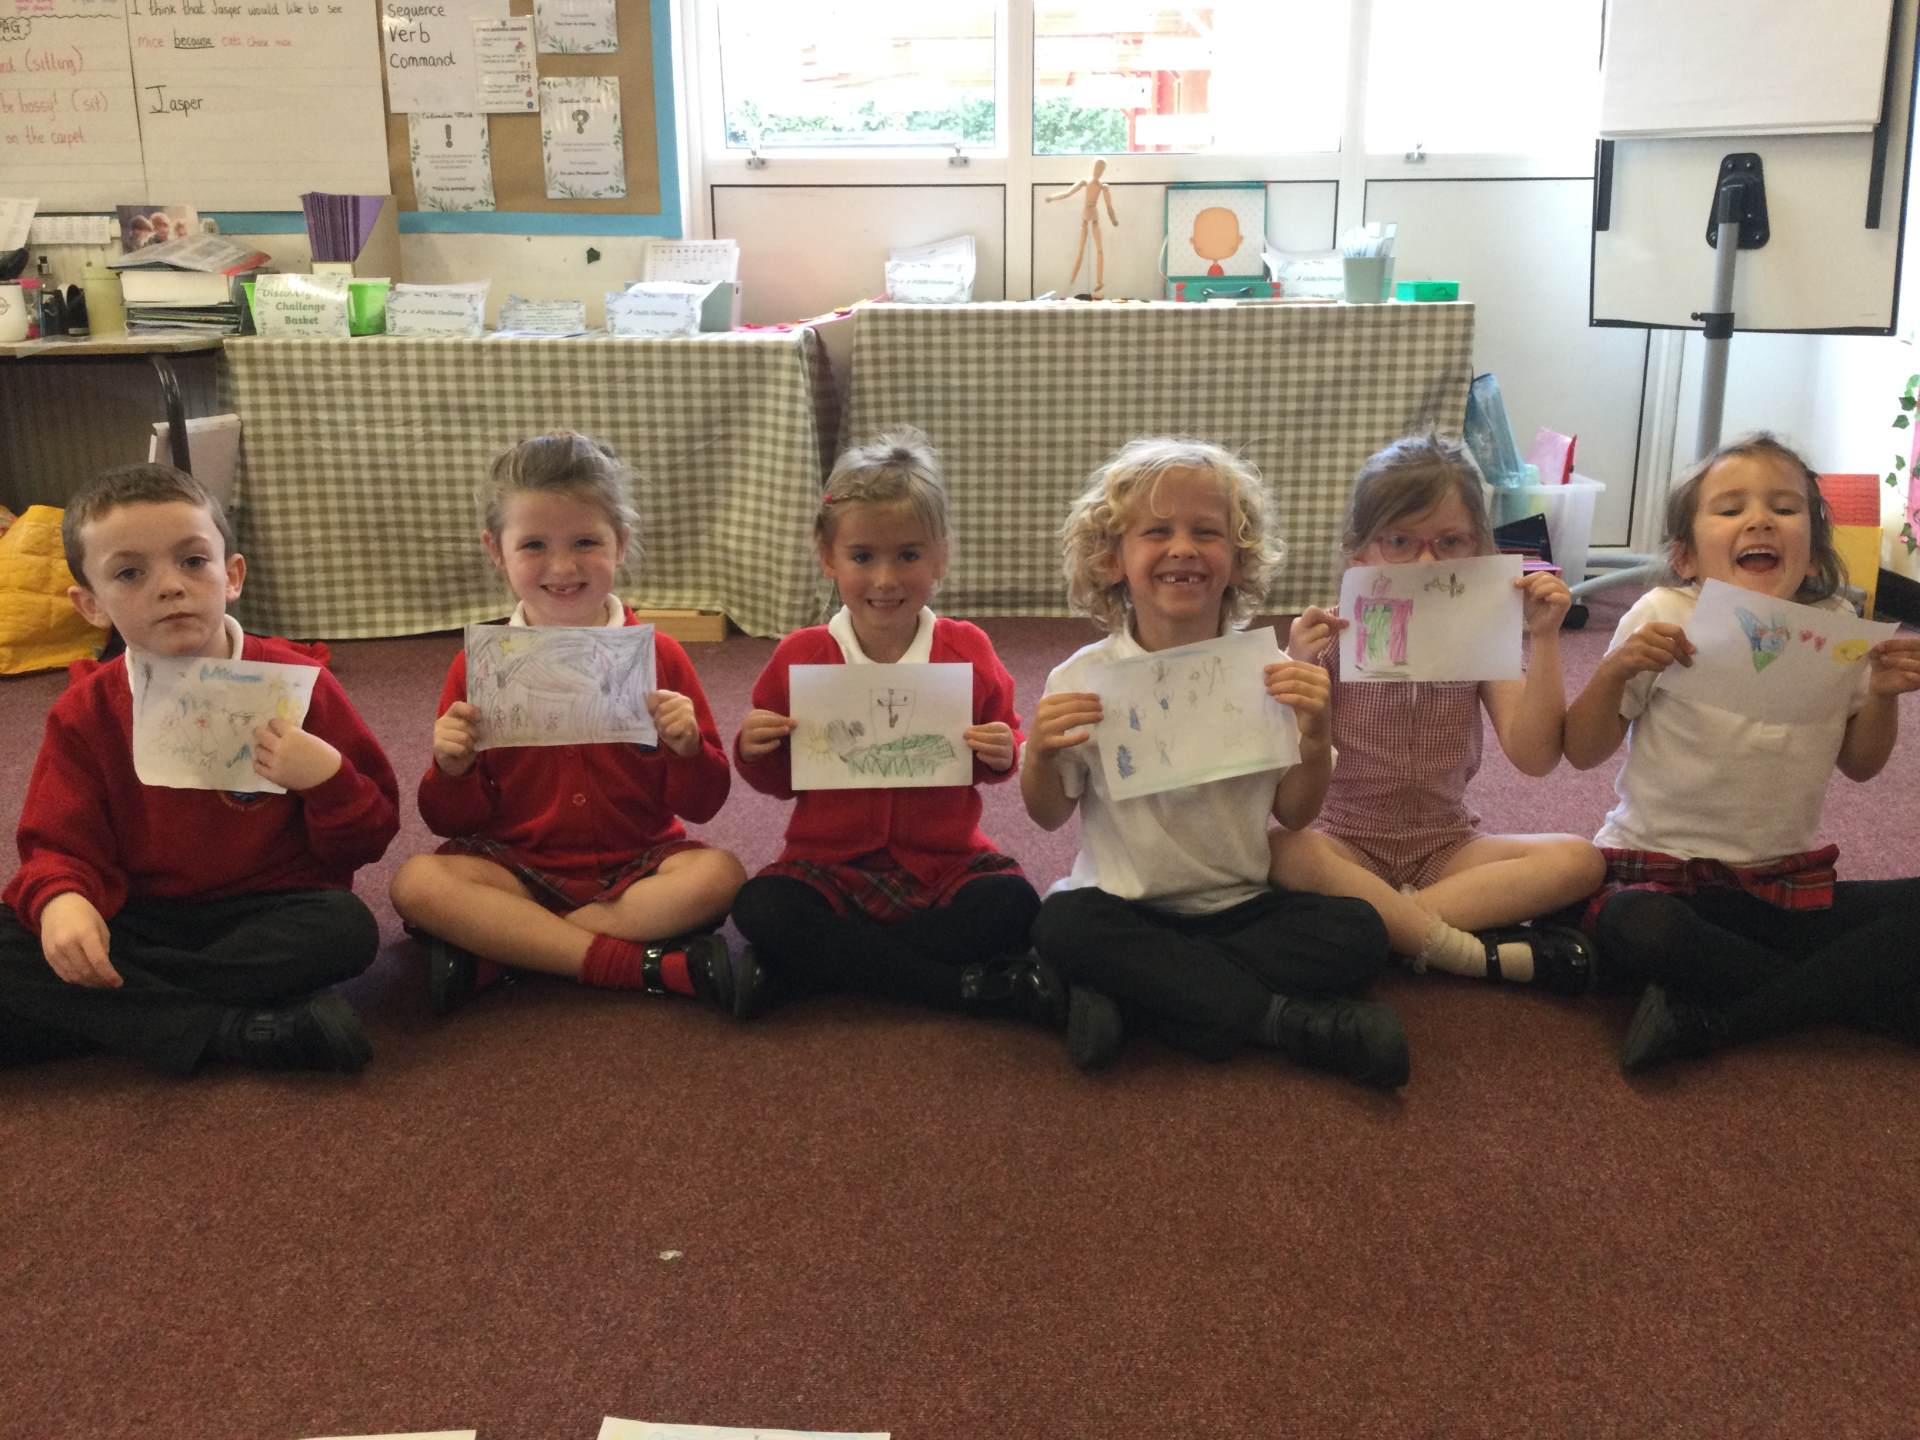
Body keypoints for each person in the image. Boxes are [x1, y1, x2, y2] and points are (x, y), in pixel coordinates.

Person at [1023, 437, 1404, 1085]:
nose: (1183, 548)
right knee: (1061, 924)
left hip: (1240, 906)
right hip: (1123, 905)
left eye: (1206, 532)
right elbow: (1048, 814)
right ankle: (1285, 1022)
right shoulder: (1080, 680)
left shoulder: (1269, 673)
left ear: (1238, 558)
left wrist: (1316, 737)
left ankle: (1136, 998)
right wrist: (1039, 754)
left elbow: (1295, 812)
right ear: (1113, 559)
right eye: (1156, 532)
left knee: (1360, 931)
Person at [0, 464, 399, 1074]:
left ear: (231, 575)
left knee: (344, 930)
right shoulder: (86, 711)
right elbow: (56, 844)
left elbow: (367, 840)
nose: (170, 587)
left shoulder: (300, 685)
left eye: (192, 561)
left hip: (269, 911)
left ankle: (122, 1015)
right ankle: (235, 1030)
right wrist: (63, 901)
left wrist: (329, 780)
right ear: (91, 604)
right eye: (130, 573)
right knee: (20, 933)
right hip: (135, 914)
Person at [1564, 432, 1920, 1070]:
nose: (1760, 520)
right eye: (1730, 509)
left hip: (1779, 885)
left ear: (1814, 551)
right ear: (1685, 555)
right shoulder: (1662, 612)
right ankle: (1842, 998)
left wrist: (1884, 694)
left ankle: (1721, 1020)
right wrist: (1614, 671)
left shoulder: (1836, 628)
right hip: (1661, 879)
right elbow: (1584, 751)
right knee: (1638, 928)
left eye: (1784, 508)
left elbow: (1862, 766)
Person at [389, 431, 752, 1018]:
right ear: (496, 550)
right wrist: (452, 769)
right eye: (534, 545)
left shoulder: (659, 656)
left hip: (639, 864)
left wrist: (687, 750)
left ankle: (516, 947)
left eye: (586, 541)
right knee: (417, 884)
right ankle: (632, 963)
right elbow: (450, 820)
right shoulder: (479, 666)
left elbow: (705, 804)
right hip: (515, 866)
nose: (562, 567)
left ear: (621, 543)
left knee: (720, 875)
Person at [730, 429, 1051, 1022]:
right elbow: (778, 780)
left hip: (944, 863)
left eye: (908, 555)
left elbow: (1000, 746)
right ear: (828, 557)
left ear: (940, 557)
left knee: (1012, 905)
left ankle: (817, 971)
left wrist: (1004, 749)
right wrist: (754, 749)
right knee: (760, 906)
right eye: (862, 557)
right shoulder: (801, 654)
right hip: (828, 867)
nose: (885, 579)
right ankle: (958, 987)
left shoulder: (967, 648)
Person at [1268, 432, 1603, 994]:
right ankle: (1458, 947)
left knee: (1581, 860)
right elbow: (1281, 780)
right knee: (1283, 850)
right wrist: (1297, 664)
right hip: (1344, 838)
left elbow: (1535, 756)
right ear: (1359, 554)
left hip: (1447, 844)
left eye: (1450, 542)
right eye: (1399, 542)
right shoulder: (1329, 637)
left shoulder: (1479, 637)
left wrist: (1545, 639)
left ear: (1479, 552)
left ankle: (1389, 925)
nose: (1426, 563)